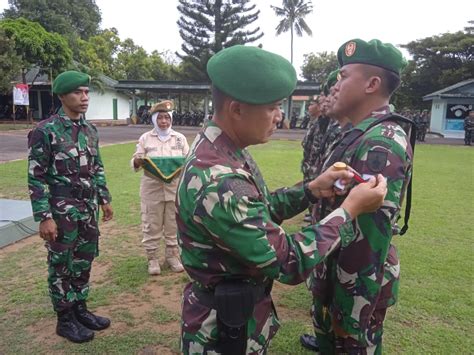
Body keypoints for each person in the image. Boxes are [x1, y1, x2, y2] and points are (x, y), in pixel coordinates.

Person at [176, 45, 388, 354]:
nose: (280, 116)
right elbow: (289, 261)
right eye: (273, 107)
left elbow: (256, 211)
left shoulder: (223, 149)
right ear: (237, 109)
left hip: (233, 312)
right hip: (223, 333)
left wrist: (310, 190)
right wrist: (349, 210)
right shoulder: (220, 179)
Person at [304, 39, 413, 354]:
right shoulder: (357, 132)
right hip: (335, 275)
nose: (335, 86)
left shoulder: (380, 142)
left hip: (352, 288)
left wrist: (351, 315)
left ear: (372, 84)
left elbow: (368, 240)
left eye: (343, 76)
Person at [27, 70, 113, 343]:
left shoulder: (90, 130)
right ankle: (64, 319)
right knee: (61, 263)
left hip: (87, 208)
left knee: (83, 259)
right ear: (63, 96)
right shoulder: (45, 131)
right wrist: (44, 217)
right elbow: (36, 176)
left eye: (86, 92)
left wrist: (104, 198)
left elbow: (96, 167)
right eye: (78, 92)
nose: (84, 97)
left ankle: (80, 309)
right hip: (61, 210)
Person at [131, 100, 189, 275]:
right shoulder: (145, 138)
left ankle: (172, 256)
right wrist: (137, 161)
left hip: (174, 189)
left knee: (173, 225)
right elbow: (136, 159)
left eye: (167, 118)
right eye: (160, 118)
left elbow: (188, 160)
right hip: (152, 189)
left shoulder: (180, 139)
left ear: (171, 119)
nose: (164, 122)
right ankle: (152, 259)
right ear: (154, 119)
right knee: (151, 224)